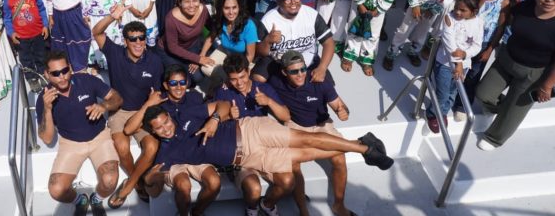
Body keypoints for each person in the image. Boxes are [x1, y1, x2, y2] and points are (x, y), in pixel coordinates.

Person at [140, 100, 394, 215]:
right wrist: (151, 175)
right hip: (248, 158)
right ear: (153, 130)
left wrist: (215, 120)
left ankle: (364, 150)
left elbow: (224, 105)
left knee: (304, 139)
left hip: (250, 130)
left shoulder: (186, 115)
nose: (166, 128)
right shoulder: (166, 152)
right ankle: (363, 143)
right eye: (159, 127)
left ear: (170, 118)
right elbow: (152, 189)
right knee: (304, 155)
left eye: (166, 122)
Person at [476, 0, 555, 150]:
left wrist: (547, 86)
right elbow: (508, 23)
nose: (549, 0)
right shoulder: (524, 8)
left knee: (514, 111)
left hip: (533, 74)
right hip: (506, 61)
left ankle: (494, 138)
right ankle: (499, 109)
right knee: (483, 94)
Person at [90, 3, 164, 206]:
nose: (139, 43)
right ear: (125, 41)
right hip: (120, 111)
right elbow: (96, 32)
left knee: (151, 146)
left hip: (144, 110)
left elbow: (156, 95)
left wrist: (147, 111)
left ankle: (130, 183)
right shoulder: (115, 53)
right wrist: (112, 17)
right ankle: (139, 182)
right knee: (122, 147)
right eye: (133, 39)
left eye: (142, 38)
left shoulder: (155, 61)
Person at [119, 65, 216, 215]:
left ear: (187, 83)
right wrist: (149, 103)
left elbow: (214, 110)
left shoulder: (195, 97)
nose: (178, 87)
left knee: (214, 182)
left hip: (194, 151)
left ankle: (197, 212)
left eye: (182, 83)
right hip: (172, 157)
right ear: (165, 85)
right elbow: (128, 129)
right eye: (173, 83)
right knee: (184, 186)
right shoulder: (159, 103)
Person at [36, 51, 123, 215]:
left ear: (70, 68)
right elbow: (47, 138)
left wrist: (103, 106)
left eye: (65, 70)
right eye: (55, 73)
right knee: (56, 189)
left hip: (99, 137)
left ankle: (96, 199)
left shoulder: (86, 80)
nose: (62, 77)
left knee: (110, 180)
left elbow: (117, 98)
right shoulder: (44, 98)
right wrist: (47, 109)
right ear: (47, 75)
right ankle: (80, 200)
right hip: (71, 143)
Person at [270, 50, 354, 216]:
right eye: (294, 71)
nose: (300, 74)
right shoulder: (276, 83)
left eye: (303, 69)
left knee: (340, 158)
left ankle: (339, 205)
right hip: (296, 125)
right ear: (284, 72)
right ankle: (303, 210)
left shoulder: (320, 80)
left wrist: (342, 112)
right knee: (293, 165)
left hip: (322, 124)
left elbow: (340, 106)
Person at [214, 54, 292, 215]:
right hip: (243, 152)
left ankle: (268, 205)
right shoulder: (222, 93)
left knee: (288, 182)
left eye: (242, 76)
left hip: (265, 146)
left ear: (248, 71)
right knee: (254, 189)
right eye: (233, 79)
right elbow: (214, 127)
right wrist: (228, 117)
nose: (239, 83)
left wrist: (269, 102)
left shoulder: (263, 88)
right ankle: (251, 209)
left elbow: (286, 116)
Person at [452, 0, 510, 122]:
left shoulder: (503, 2)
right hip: (464, 39)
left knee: (473, 76)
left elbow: (500, 28)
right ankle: (447, 98)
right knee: (456, 70)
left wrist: (490, 49)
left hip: (484, 43)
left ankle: (462, 105)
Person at [425, 0, 484, 133]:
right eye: (456, 7)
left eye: (463, 10)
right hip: (445, 63)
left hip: (464, 64)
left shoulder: (479, 22)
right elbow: (449, 42)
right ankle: (433, 114)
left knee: (453, 92)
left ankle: (443, 112)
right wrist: (458, 63)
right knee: (443, 93)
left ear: (473, 11)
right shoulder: (449, 18)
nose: (457, 12)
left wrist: (465, 54)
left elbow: (477, 45)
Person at [257, 0, 335, 83]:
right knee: (258, 79)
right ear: (279, 1)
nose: (293, 2)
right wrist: (268, 41)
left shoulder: (311, 14)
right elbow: (259, 52)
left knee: (328, 85)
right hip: (278, 61)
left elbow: (329, 42)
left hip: (308, 60)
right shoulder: (268, 20)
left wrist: (322, 68)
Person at [343, 0, 403, 76]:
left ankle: (366, 59)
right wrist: (360, 4)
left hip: (378, 4)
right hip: (360, 0)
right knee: (354, 28)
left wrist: (378, 10)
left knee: (373, 33)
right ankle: (350, 54)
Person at [2, 0, 49, 89]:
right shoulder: (8, 0)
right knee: (26, 59)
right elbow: (6, 18)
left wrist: (45, 25)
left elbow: (42, 9)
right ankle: (31, 78)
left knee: (41, 56)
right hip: (21, 37)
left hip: (38, 33)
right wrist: (11, 33)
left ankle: (43, 74)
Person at [162, 0, 214, 77]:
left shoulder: (203, 10)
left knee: (199, 76)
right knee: (182, 77)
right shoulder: (171, 18)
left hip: (192, 46)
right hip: (170, 52)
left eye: (195, 0)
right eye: (187, 2)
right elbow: (172, 47)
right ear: (180, 3)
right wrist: (198, 59)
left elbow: (213, 29)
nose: (191, 5)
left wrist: (201, 55)